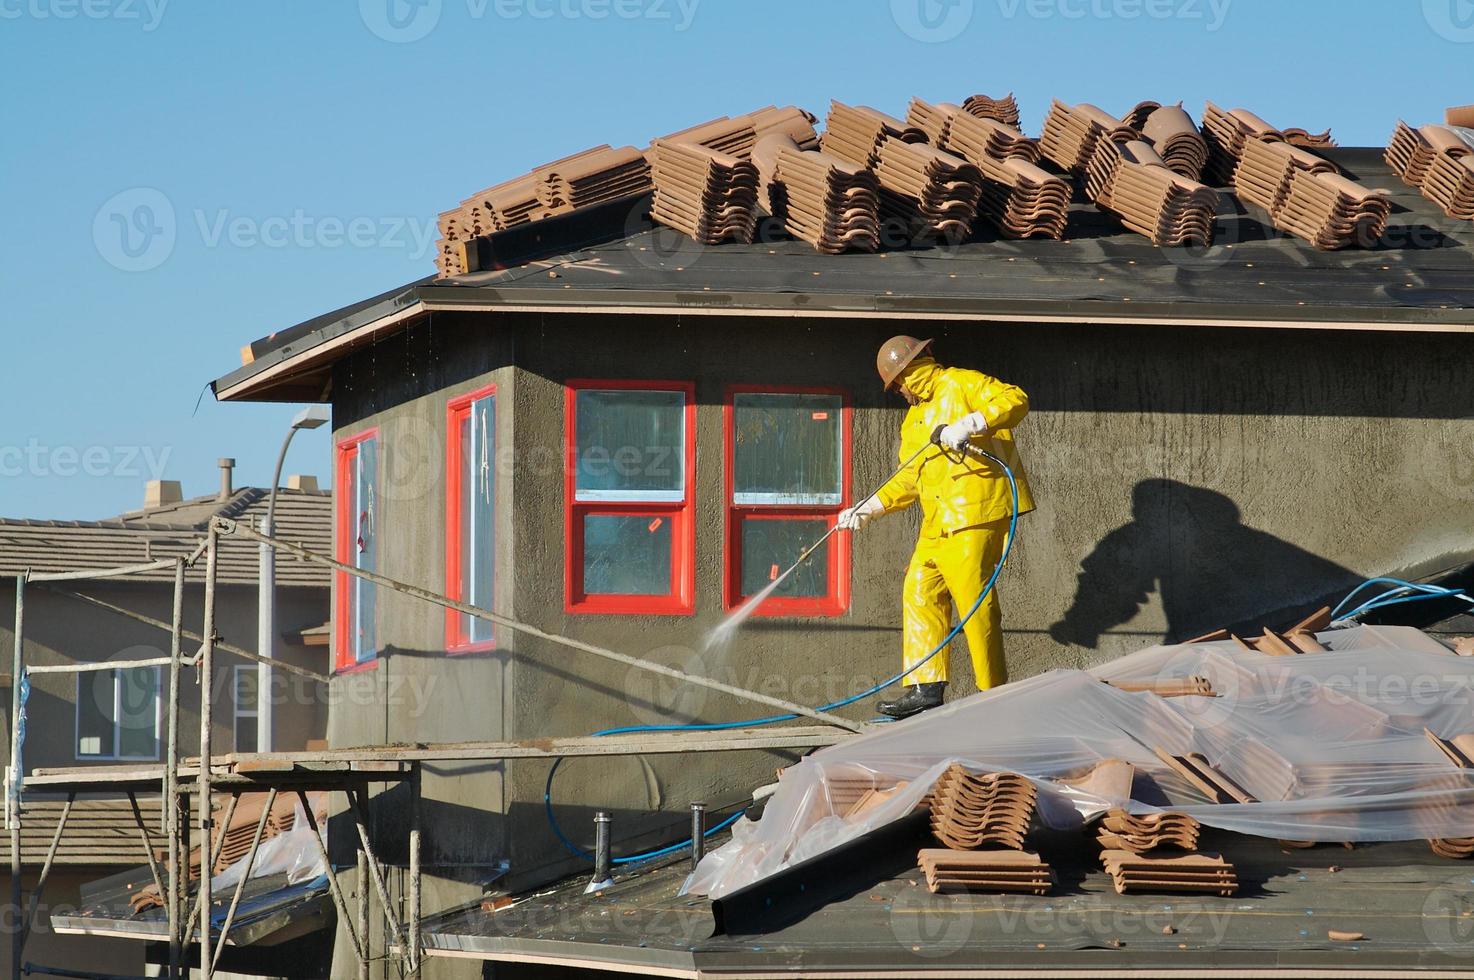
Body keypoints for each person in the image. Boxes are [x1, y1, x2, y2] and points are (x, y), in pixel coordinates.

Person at [838, 336, 1035, 718]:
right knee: (918, 590)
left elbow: (1015, 399)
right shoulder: (913, 422)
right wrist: (869, 506)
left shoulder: (960, 384)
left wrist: (971, 423)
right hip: (937, 522)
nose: (900, 392)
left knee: (974, 603)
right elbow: (908, 479)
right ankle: (925, 688)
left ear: (906, 375)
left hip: (975, 512)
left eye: (898, 384)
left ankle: (992, 694)